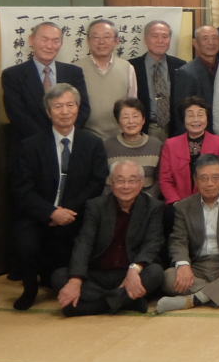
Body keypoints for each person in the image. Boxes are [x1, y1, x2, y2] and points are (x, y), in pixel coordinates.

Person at [10, 83, 109, 310]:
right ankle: (30, 289)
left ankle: (66, 280)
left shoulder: (92, 143)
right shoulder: (30, 146)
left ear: (78, 108)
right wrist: (51, 212)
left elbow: (96, 182)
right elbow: (22, 188)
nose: (65, 111)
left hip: (76, 212)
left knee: (86, 238)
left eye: (70, 105)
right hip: (39, 213)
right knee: (26, 241)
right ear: (48, 112)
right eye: (58, 106)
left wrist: (67, 211)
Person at [53, 160, 163, 316]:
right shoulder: (96, 206)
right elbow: (84, 243)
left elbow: (153, 243)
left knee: (156, 273)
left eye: (132, 181)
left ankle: (93, 307)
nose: (126, 186)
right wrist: (75, 280)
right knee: (59, 276)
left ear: (141, 183)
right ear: (111, 183)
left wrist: (134, 269)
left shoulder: (153, 207)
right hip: (98, 273)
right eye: (120, 180)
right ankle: (126, 301)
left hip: (129, 272)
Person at [157, 155, 219, 312]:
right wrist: (183, 264)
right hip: (197, 267)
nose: (210, 183)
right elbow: (178, 240)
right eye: (204, 178)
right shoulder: (183, 207)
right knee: (168, 276)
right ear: (195, 180)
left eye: (215, 178)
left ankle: (195, 299)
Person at [2, 21, 90, 143]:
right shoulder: (13, 75)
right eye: (44, 39)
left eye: (55, 41)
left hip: (68, 142)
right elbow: (17, 115)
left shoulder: (74, 72)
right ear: (31, 40)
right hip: (30, 144)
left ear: (61, 44)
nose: (49, 46)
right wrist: (48, 141)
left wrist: (65, 135)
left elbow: (83, 109)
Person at [74, 19, 138, 141]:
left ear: (116, 41)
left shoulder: (127, 68)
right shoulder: (76, 69)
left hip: (120, 138)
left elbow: (132, 105)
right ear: (88, 41)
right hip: (86, 137)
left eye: (107, 37)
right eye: (96, 37)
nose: (101, 42)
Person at [158, 96, 219, 206]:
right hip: (179, 205)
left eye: (200, 115)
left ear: (207, 118)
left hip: (211, 203)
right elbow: (165, 179)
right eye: (190, 115)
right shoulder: (170, 144)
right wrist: (176, 203)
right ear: (183, 119)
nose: (195, 120)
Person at [130, 19, 184, 140]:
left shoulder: (180, 66)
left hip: (174, 129)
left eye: (165, 36)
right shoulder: (132, 67)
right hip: (144, 129)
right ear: (145, 39)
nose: (160, 41)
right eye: (155, 36)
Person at [101, 97, 162, 192]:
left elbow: (160, 180)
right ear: (118, 122)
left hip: (148, 198)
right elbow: (102, 180)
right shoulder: (107, 146)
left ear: (143, 120)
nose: (131, 121)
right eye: (125, 117)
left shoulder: (156, 145)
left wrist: (148, 198)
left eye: (135, 116)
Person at [172, 24, 219, 118]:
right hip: (198, 125)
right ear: (195, 43)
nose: (211, 42)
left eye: (214, 38)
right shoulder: (186, 72)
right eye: (205, 38)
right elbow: (181, 111)